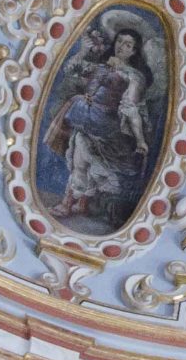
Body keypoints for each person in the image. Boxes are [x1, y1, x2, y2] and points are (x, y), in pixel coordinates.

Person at [44, 21, 153, 227]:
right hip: (86, 114)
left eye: (128, 45)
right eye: (119, 41)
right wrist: (84, 50)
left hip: (107, 124)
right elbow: (72, 69)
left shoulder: (134, 76)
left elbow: (131, 109)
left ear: (134, 51)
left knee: (82, 154)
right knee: (80, 151)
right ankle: (82, 202)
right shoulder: (103, 65)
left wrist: (140, 140)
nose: (121, 46)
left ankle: (68, 202)